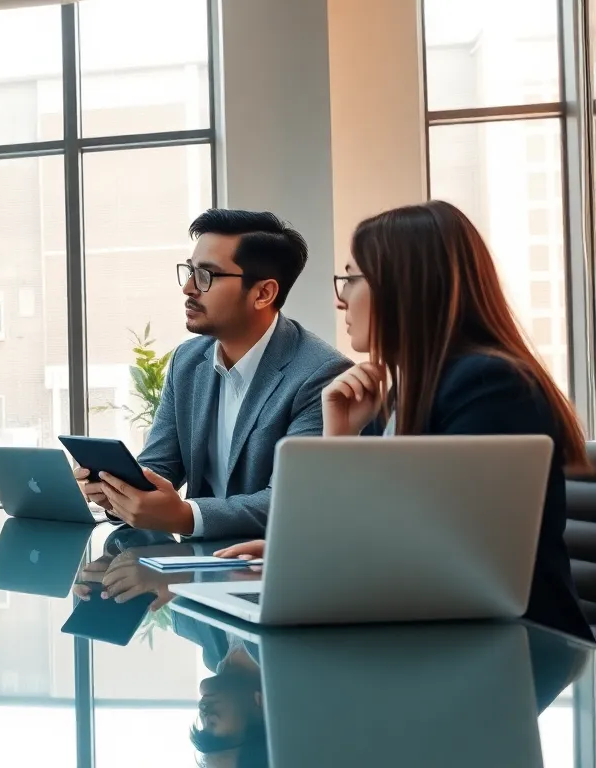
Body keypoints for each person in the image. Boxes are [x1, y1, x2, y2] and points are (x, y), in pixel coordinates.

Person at [216, 200, 592, 639]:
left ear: (404, 286)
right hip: (445, 634)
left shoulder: (489, 385)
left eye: (351, 279)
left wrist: (319, 554)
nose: (340, 299)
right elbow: (378, 532)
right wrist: (339, 435)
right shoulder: (400, 393)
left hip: (524, 645)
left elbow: (447, 554)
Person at [80, 209, 350, 538]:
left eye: (206, 275)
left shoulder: (322, 375)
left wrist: (186, 516)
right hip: (193, 559)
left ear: (263, 293)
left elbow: (293, 499)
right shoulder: (188, 360)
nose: (188, 288)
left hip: (267, 562)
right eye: (190, 271)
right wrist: (117, 491)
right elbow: (159, 466)